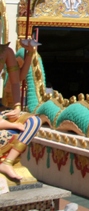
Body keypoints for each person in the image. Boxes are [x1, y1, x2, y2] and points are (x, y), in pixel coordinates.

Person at [0, 39, 42, 182]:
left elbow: (17, 80)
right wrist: (13, 125)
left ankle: (7, 163)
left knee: (34, 121)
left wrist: (29, 53)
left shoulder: (5, 52)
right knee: (16, 126)